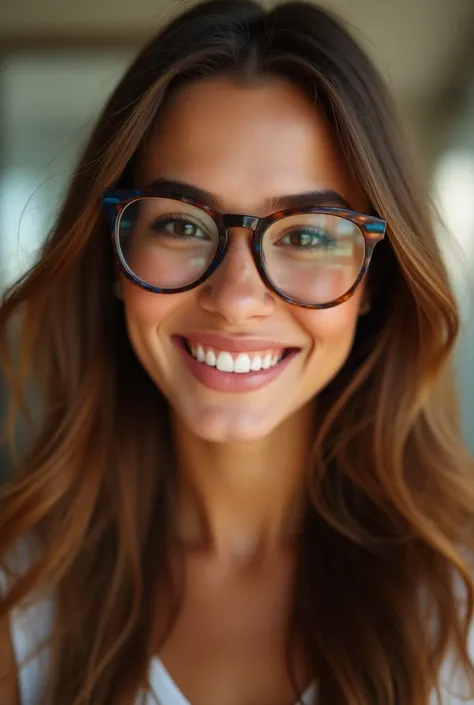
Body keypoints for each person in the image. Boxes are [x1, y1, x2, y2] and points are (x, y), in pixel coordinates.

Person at [1, 1, 473, 703]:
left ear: (374, 283)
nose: (236, 296)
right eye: (182, 224)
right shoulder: (19, 594)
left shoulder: (461, 598)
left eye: (308, 234)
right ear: (113, 256)